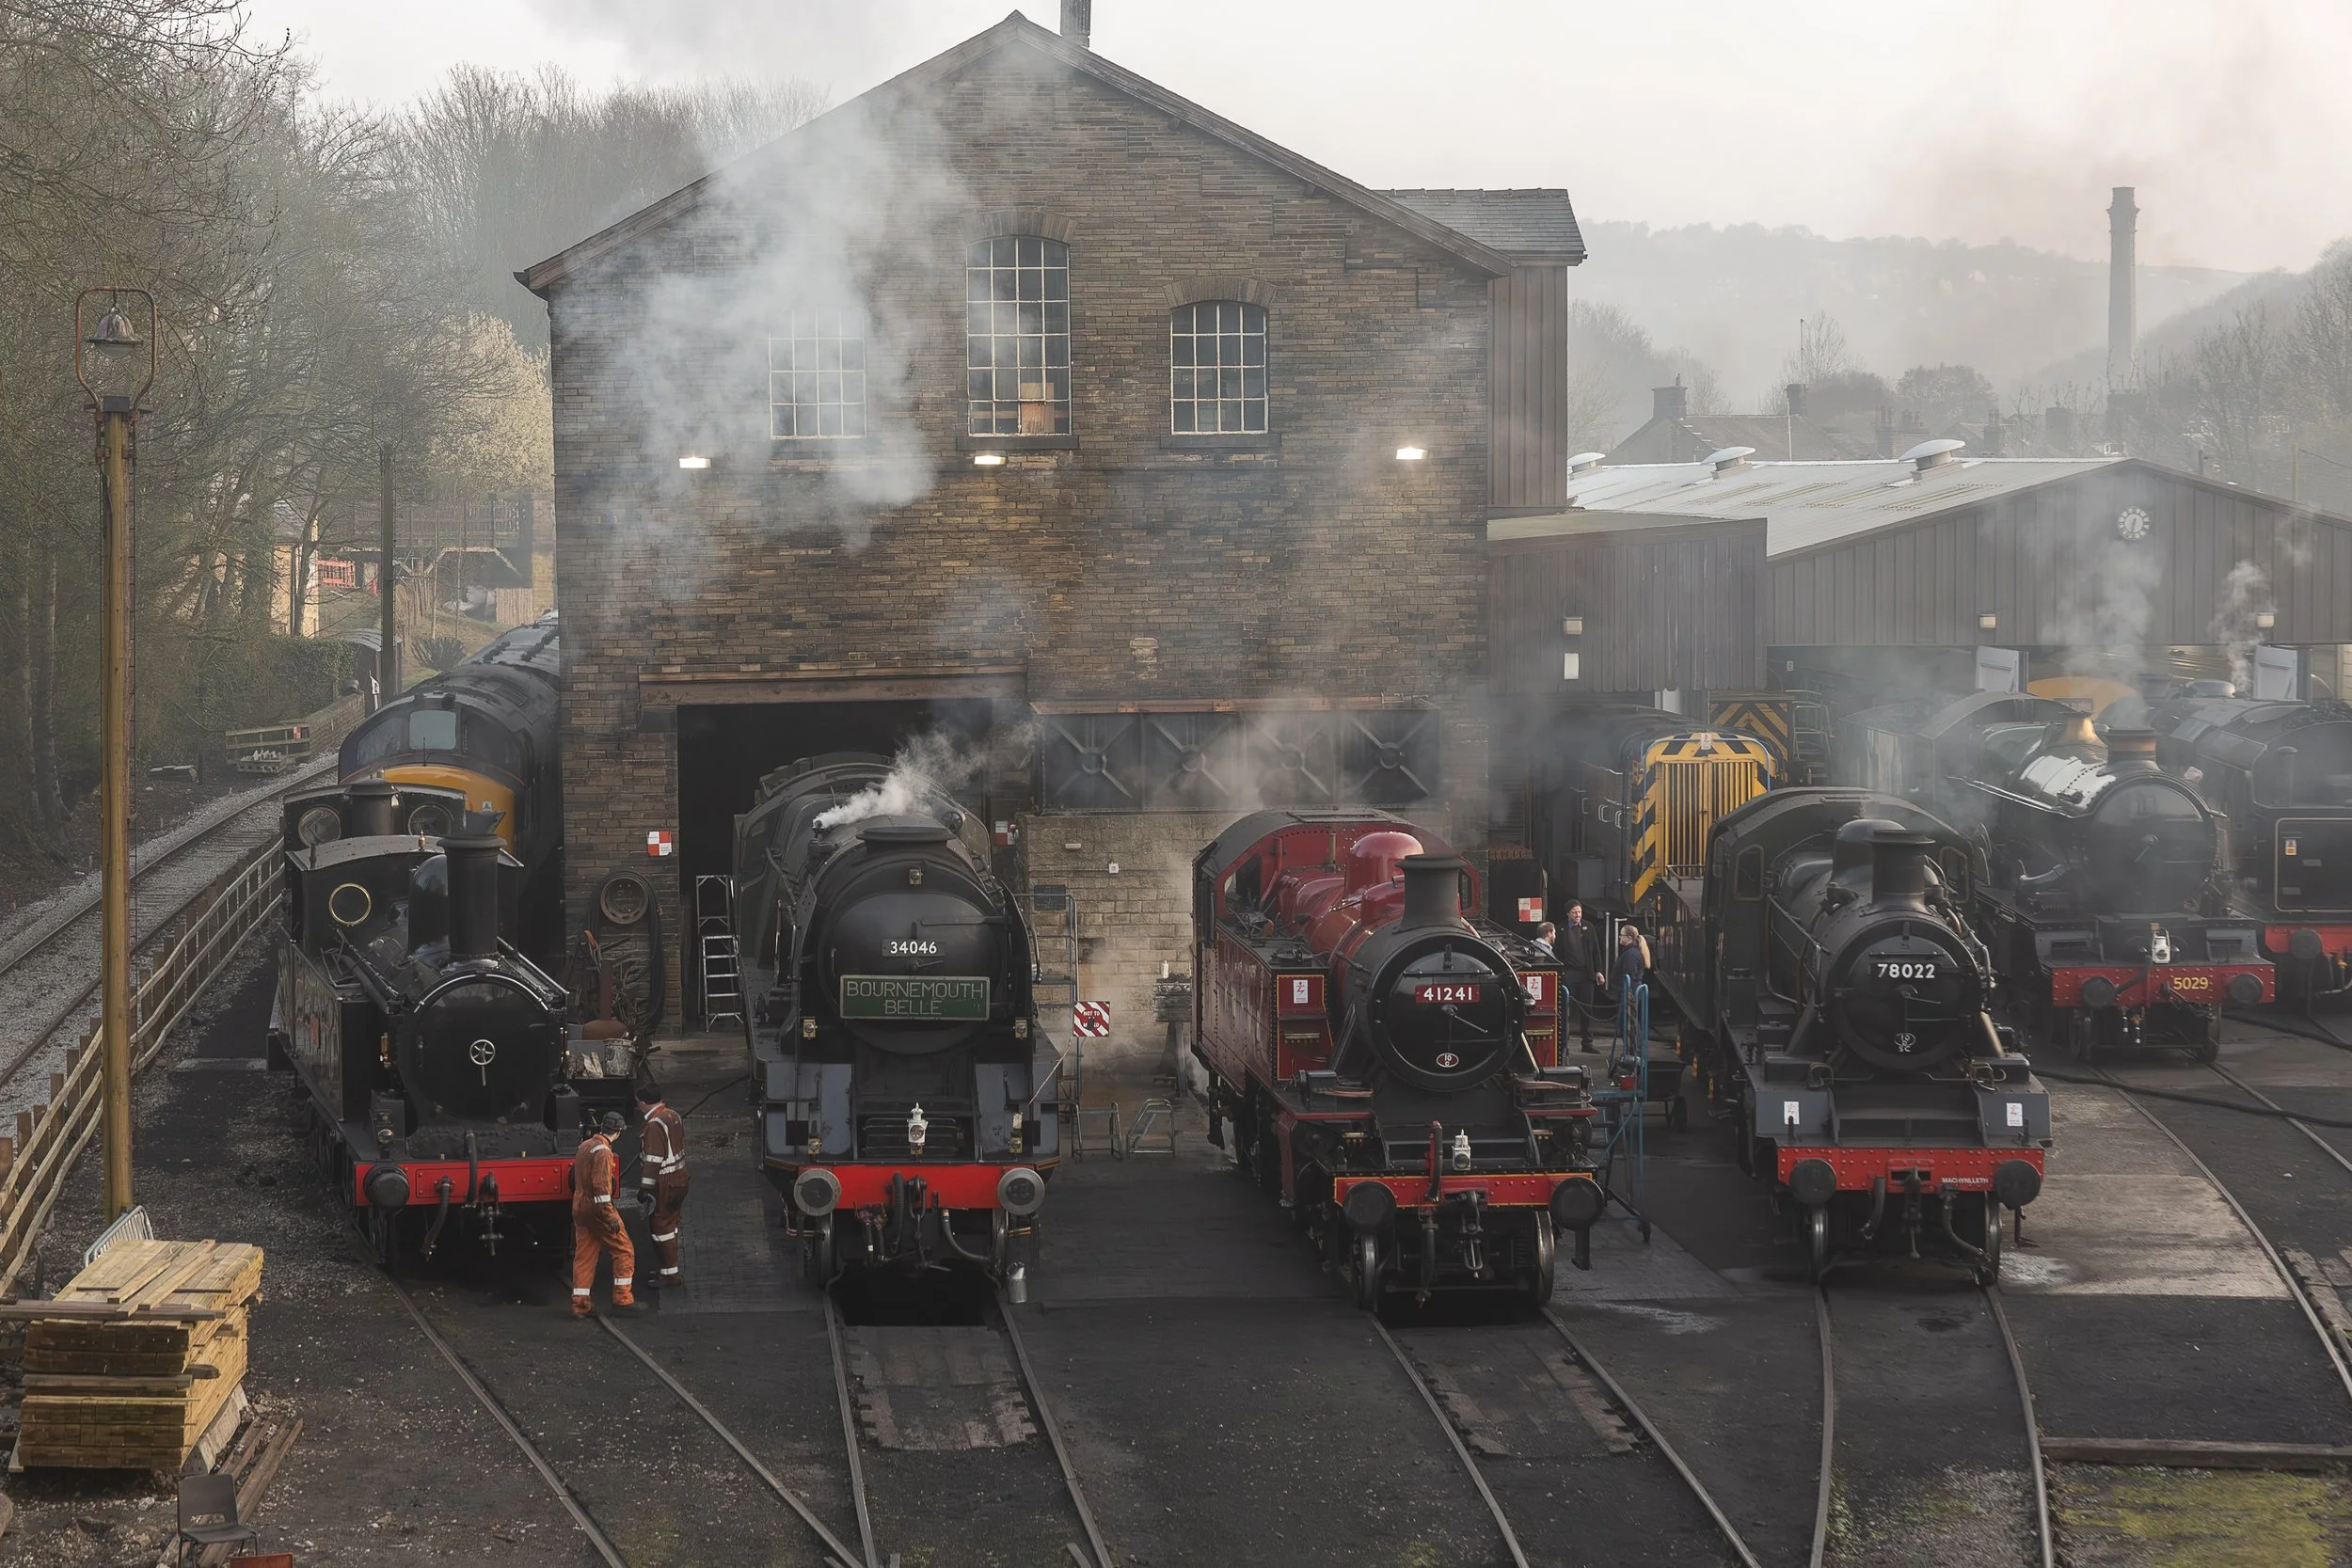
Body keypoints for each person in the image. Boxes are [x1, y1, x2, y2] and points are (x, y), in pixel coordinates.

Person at [571, 1111, 636, 1318]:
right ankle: (623, 1299)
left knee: (585, 1256)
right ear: (618, 1132)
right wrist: (611, 1216)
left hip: (580, 1207)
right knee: (624, 1250)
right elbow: (601, 1190)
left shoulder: (585, 1145)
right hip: (597, 1210)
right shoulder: (603, 1152)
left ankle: (580, 1305)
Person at [635, 1081, 689, 1290]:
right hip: (680, 1178)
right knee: (671, 1224)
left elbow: (654, 1159)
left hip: (665, 1182)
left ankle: (670, 1275)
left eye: (638, 1103)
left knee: (661, 1226)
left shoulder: (654, 1124)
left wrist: (645, 1188)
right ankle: (667, 1269)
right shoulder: (672, 1115)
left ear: (643, 1102)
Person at [1555, 903, 1602, 1051]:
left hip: (1586, 974)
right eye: (1574, 912)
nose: (1577, 915)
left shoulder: (1589, 928)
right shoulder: (1560, 929)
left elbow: (1596, 951)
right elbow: (1556, 952)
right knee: (1565, 1009)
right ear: (1568, 914)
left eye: (1579, 912)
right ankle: (1563, 1045)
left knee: (1587, 1009)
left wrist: (1598, 971)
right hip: (1569, 973)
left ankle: (1587, 1043)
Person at [1612, 922, 1652, 1038]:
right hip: (1627, 991)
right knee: (1627, 1022)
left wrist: (1625, 991)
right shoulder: (1630, 952)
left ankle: (1634, 1052)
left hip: (1629, 992)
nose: (1620, 937)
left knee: (1629, 1023)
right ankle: (1633, 1051)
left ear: (1629, 938)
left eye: (1621, 935)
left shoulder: (1631, 954)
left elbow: (1629, 975)